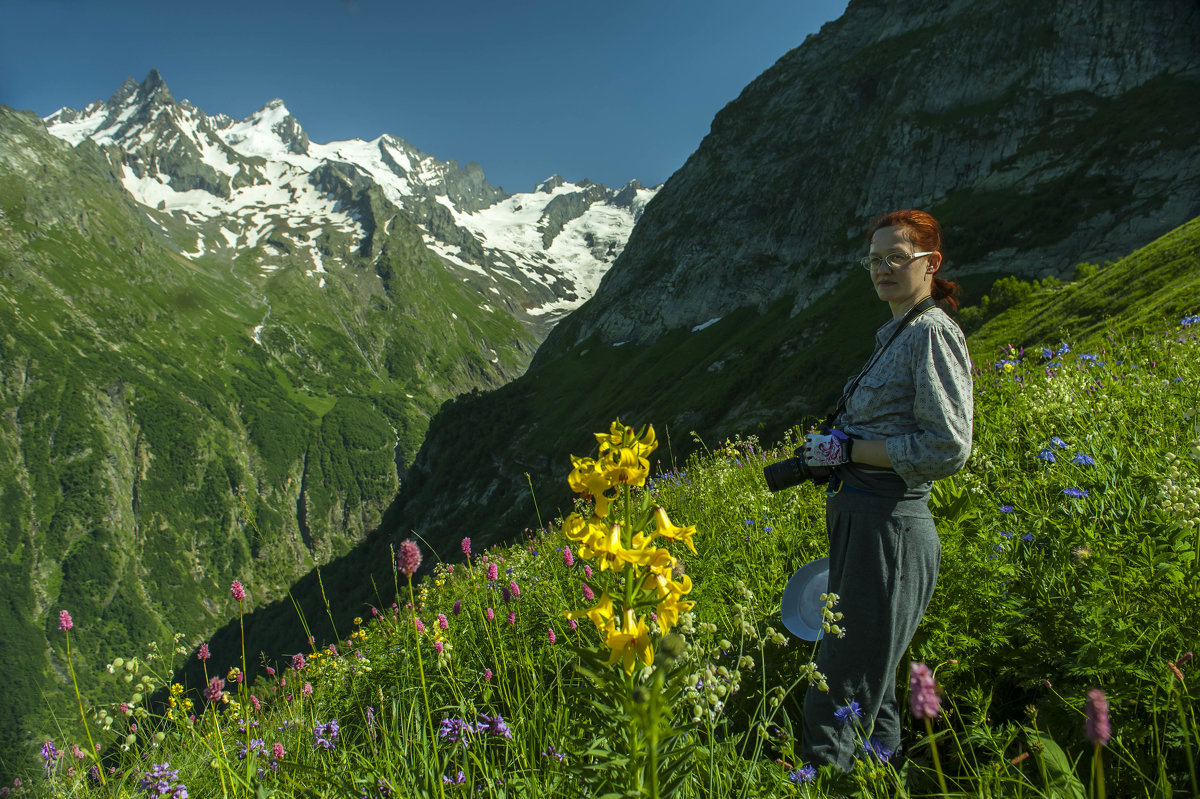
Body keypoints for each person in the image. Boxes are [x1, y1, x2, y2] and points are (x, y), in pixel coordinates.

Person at [797, 209, 974, 770]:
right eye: (874, 260)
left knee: (838, 685)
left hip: (890, 522)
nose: (883, 269)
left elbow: (949, 446)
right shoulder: (897, 330)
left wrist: (848, 451)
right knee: (876, 684)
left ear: (931, 263)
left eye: (897, 257)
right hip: (863, 517)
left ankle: (825, 783)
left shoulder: (931, 333)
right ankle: (881, 777)